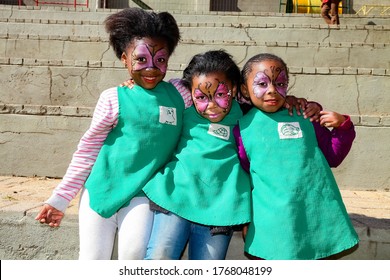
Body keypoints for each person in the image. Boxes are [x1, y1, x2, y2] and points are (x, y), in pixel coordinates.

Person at [139, 50, 322, 260]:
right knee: (160, 256)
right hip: (177, 196)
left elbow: (271, 103)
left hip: (222, 208)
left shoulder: (248, 115)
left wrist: (299, 103)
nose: (212, 105)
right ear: (190, 93)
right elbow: (156, 92)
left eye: (220, 94)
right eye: (201, 97)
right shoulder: (184, 107)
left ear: (234, 89)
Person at [35, 7, 185, 260]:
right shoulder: (113, 97)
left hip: (140, 194)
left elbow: (216, 90)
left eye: (160, 59)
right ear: (124, 59)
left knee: (134, 253)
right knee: (92, 260)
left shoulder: (180, 94)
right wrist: (60, 199)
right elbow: (87, 150)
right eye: (140, 59)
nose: (151, 68)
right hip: (101, 190)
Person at [235, 53, 359, 260]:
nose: (272, 91)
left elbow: (333, 156)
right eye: (262, 84)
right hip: (272, 221)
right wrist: (247, 220)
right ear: (245, 89)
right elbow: (246, 177)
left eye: (280, 83)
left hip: (314, 216)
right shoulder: (242, 128)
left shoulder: (304, 115)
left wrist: (343, 128)